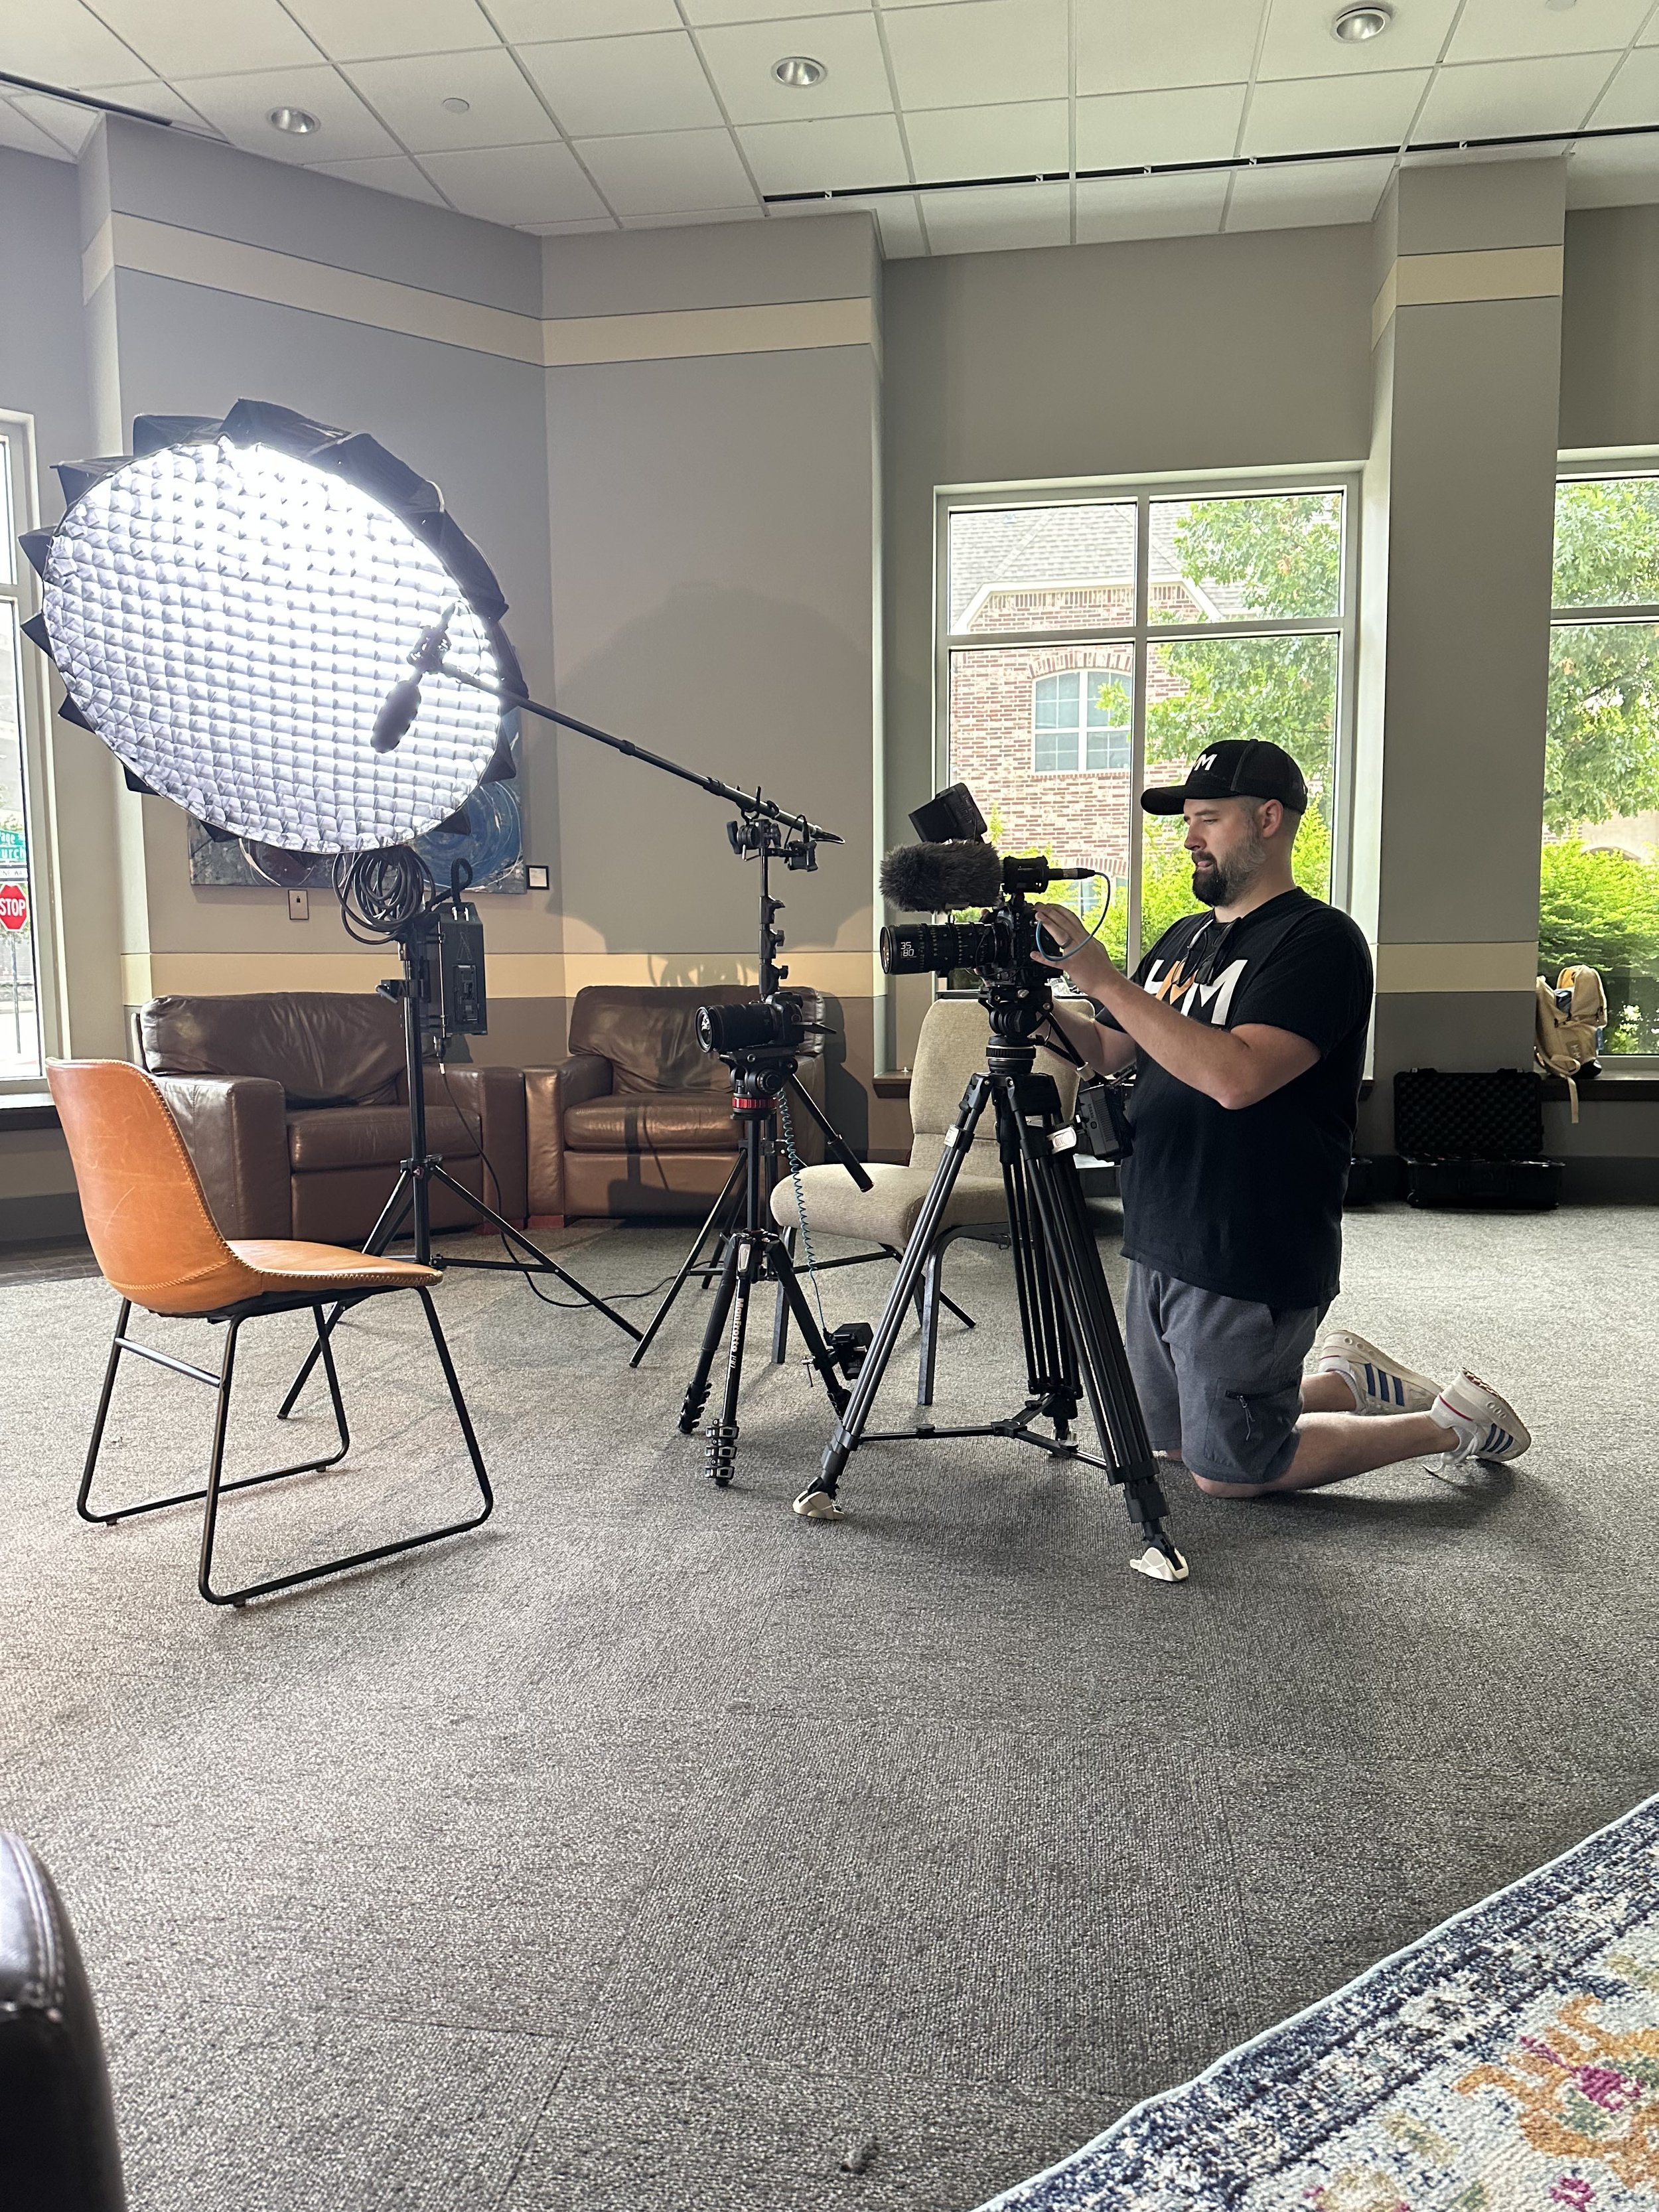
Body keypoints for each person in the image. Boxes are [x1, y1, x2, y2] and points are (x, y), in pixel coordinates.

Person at [1033, 737, 1529, 1501]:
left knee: (1230, 1472)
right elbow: (1106, 1048)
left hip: (1249, 1238)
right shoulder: (1183, 939)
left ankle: (1451, 1422)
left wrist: (1103, 979)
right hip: (1161, 1226)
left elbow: (1236, 1078)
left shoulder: (1319, 942)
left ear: (1267, 819)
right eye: (1187, 822)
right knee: (1169, 1443)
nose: (1190, 839)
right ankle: (1342, 1382)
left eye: (1208, 820)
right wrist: (1028, 1003)